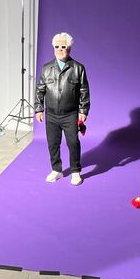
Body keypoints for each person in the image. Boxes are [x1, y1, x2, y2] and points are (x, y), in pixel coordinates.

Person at [35, 32, 90, 185]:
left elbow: (84, 91)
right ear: (53, 48)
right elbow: (40, 90)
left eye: (63, 47)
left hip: (70, 114)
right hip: (51, 115)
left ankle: (75, 171)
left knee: (73, 143)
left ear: (69, 49)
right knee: (53, 143)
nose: (60, 49)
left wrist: (83, 111)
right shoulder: (46, 68)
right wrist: (39, 109)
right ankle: (56, 170)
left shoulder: (78, 68)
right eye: (57, 46)